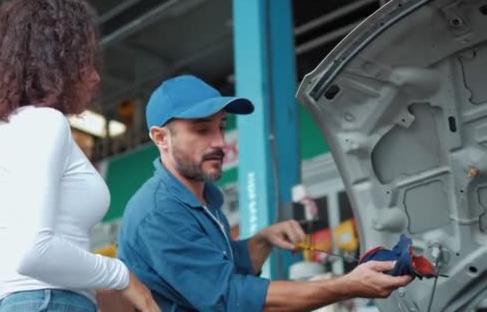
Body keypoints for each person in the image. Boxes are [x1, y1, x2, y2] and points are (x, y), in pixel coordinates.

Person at [116, 75, 413, 311]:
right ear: (160, 138)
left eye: (221, 126)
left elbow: (227, 264)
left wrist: (263, 240)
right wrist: (346, 285)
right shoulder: (159, 212)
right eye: (202, 129)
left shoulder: (205, 199)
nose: (220, 141)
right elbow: (230, 299)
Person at [0, 0, 159, 312]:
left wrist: (29, 297)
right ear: (53, 61)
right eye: (84, 60)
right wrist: (120, 276)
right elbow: (33, 252)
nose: (95, 75)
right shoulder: (45, 123)